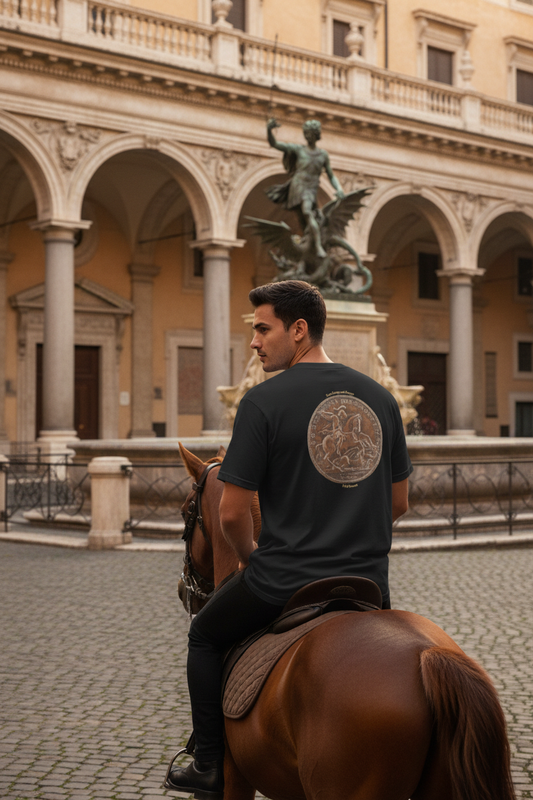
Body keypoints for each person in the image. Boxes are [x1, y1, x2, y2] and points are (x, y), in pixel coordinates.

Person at [165, 280, 412, 798]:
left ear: (298, 330)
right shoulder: (382, 399)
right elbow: (399, 505)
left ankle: (208, 762)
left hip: (287, 580)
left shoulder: (262, 402)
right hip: (368, 584)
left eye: (262, 328)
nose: (254, 342)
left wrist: (255, 559)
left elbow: (232, 513)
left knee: (204, 638)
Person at [266, 118, 344, 258]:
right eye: (306, 133)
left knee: (305, 220)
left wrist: (338, 189)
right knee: (307, 213)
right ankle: (318, 246)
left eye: (310, 133)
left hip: (312, 188)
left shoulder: (322, 155)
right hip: (298, 186)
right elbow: (275, 144)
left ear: (316, 135)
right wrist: (269, 130)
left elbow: (331, 175)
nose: (307, 136)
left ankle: (309, 246)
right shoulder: (298, 150)